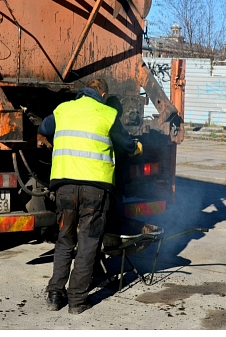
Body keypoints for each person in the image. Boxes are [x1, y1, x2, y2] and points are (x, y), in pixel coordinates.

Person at [38, 78, 142, 315]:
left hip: (64, 187)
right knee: (87, 243)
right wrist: (137, 148)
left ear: (82, 92)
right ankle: (76, 301)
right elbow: (126, 145)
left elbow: (43, 128)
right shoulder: (107, 113)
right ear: (103, 94)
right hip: (95, 190)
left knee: (64, 240)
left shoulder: (63, 109)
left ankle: (55, 294)